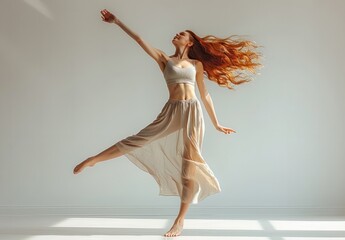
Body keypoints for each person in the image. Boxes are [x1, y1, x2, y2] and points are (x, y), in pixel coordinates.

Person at [73, 9, 262, 237]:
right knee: (138, 139)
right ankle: (94, 160)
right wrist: (117, 22)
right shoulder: (165, 59)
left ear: (190, 42)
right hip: (172, 111)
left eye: (181, 34)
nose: (177, 34)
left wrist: (216, 123)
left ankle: (179, 221)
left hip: (193, 112)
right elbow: (140, 40)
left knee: (188, 165)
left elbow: (205, 95)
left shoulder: (196, 65)